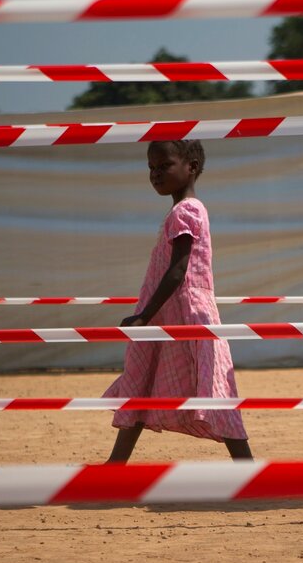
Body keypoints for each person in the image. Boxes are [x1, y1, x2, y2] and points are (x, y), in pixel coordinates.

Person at [103, 140, 252, 463]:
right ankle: (115, 465)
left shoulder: (187, 210)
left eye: (164, 166)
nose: (156, 174)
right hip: (171, 312)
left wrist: (144, 315)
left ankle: (247, 467)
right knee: (144, 381)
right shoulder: (182, 209)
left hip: (187, 313)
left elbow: (179, 269)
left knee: (213, 388)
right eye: (151, 168)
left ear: (191, 167)